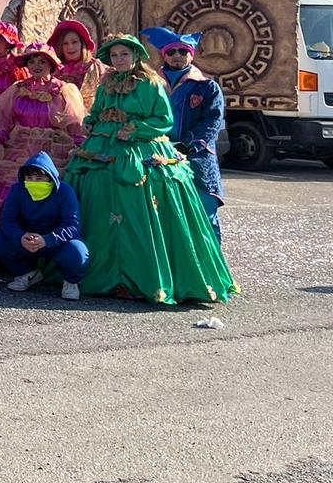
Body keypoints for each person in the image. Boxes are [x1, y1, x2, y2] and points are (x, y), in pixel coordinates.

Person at [68, 36, 236, 305]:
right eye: (114, 55)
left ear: (136, 56)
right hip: (103, 146)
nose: (119, 59)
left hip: (140, 150)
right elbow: (97, 111)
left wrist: (137, 130)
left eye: (124, 54)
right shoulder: (106, 84)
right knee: (97, 206)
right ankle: (97, 271)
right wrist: (91, 122)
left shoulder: (151, 84)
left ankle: (144, 275)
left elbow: (164, 120)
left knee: (142, 210)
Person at [0, 45, 86, 255]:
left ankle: (47, 248)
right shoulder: (17, 89)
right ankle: (5, 248)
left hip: (53, 151)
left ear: (51, 64)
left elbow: (76, 126)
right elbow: (3, 121)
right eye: (32, 61)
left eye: (42, 61)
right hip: (18, 148)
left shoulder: (64, 90)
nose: (36, 65)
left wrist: (79, 149)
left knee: (54, 191)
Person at [143, 26, 227, 249]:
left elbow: (212, 121)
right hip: (157, 156)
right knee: (162, 214)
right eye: (171, 52)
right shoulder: (149, 85)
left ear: (192, 54)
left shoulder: (207, 87)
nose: (177, 56)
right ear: (164, 55)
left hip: (197, 159)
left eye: (182, 51)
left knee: (204, 212)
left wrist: (187, 146)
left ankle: (213, 269)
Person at [0, 152, 88, 300]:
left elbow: (72, 225)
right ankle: (27, 273)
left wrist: (48, 239)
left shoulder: (65, 192)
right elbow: (7, 220)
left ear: (51, 177)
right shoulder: (18, 190)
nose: (34, 182)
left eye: (40, 178)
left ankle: (71, 282)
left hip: (57, 241)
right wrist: (20, 237)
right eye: (29, 177)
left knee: (78, 253)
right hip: (27, 239)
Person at [50, 20, 105, 112]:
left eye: (74, 42)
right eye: (65, 43)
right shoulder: (55, 70)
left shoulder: (95, 66)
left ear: (82, 44)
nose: (70, 47)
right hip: (61, 121)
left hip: (91, 120)